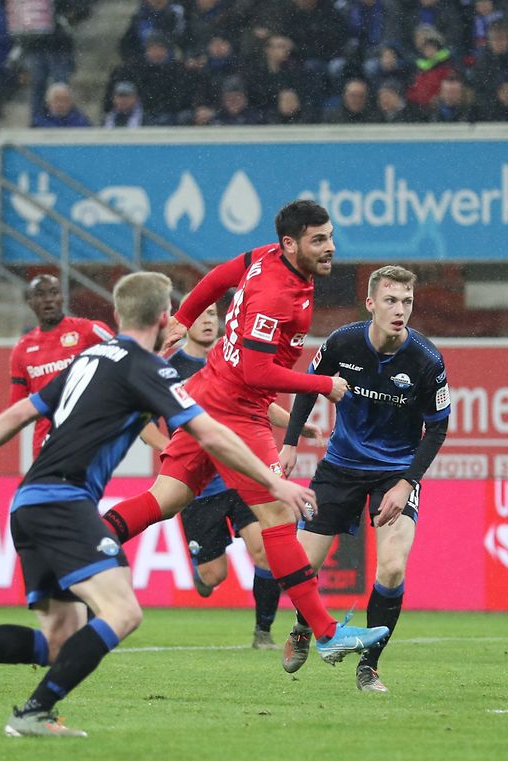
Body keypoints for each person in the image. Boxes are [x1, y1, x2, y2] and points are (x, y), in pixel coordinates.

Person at [0, 272, 318, 737]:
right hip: (63, 502)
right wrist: (274, 483)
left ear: (117, 314)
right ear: (165, 318)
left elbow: (22, 410)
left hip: (29, 502)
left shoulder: (91, 357)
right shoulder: (147, 368)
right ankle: (32, 714)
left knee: (59, 642)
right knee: (123, 613)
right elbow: (212, 434)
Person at [99, 200, 384, 666]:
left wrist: (183, 319)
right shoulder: (275, 294)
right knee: (278, 517)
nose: (330, 247)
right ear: (290, 244)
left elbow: (217, 278)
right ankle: (327, 633)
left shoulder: (264, 257)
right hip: (237, 411)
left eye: (330, 236)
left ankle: (83, 543)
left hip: (208, 393)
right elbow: (257, 371)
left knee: (164, 499)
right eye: (318, 240)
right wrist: (324, 385)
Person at [278, 265, 449, 693]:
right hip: (340, 467)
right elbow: (309, 387)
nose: (400, 310)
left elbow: (438, 428)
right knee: (302, 566)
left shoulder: (427, 361)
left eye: (407, 301)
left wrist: (407, 483)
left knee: (392, 568)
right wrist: (291, 443)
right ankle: (303, 626)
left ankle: (369, 667)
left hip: (395, 472)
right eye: (390, 300)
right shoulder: (342, 342)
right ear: (371, 303)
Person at [167, 301, 324, 649]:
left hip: (240, 472)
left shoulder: (231, 356)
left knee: (264, 549)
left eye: (213, 315)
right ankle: (202, 572)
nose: (208, 321)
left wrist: (297, 426)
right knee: (213, 575)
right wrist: (171, 447)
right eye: (200, 315)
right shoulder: (170, 368)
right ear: (186, 322)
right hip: (200, 484)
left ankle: (262, 632)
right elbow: (145, 421)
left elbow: (259, 403)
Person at [0, 275, 113, 458]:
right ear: (30, 303)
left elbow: (128, 358)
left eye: (54, 292)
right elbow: (16, 408)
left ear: (62, 298)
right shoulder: (22, 349)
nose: (48, 299)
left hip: (84, 441)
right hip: (45, 448)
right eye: (40, 294)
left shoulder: (89, 331)